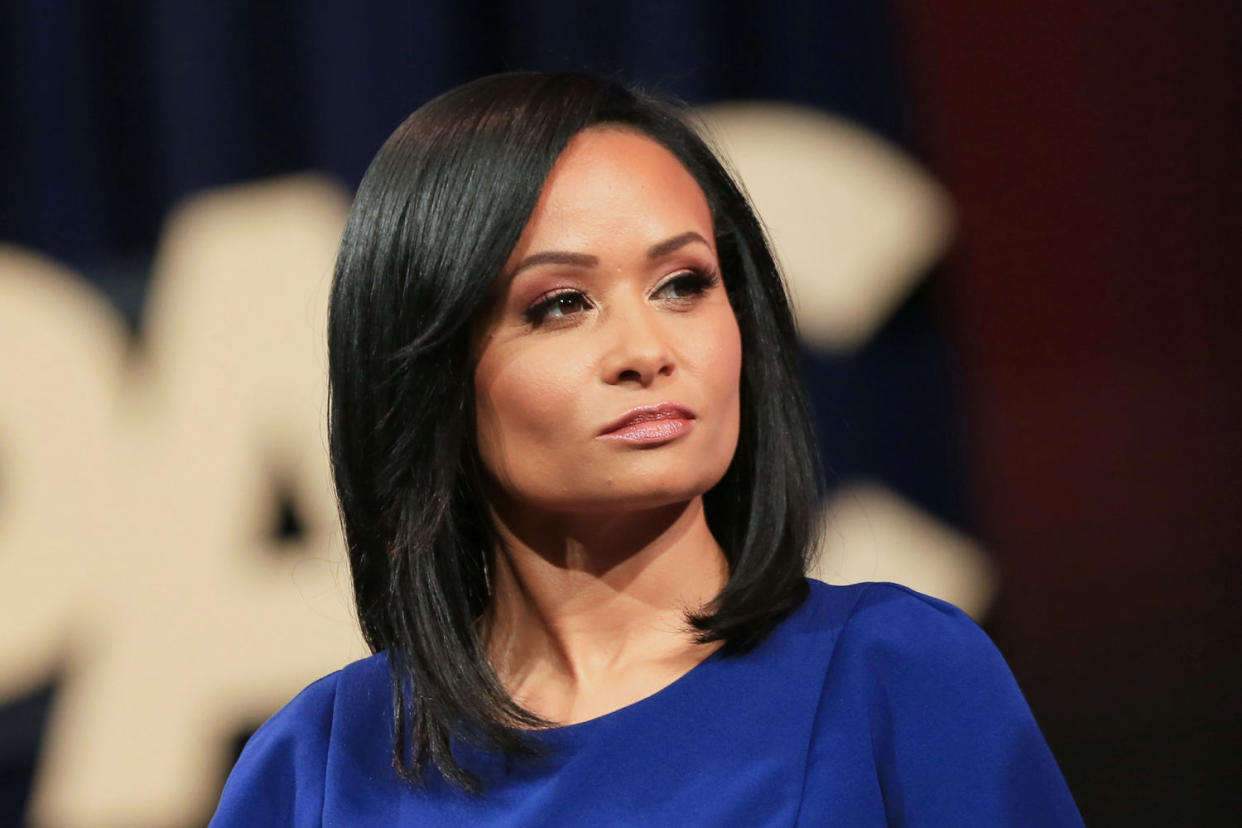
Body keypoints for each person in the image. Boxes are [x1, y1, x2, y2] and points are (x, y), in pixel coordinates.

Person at [210, 71, 1083, 826]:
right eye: (560, 303)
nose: (647, 349)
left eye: (684, 284)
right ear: (431, 371)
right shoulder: (320, 767)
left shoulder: (897, 675)